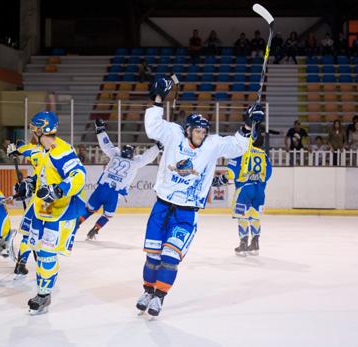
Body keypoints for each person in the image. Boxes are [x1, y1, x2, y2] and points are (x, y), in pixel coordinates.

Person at [135, 76, 263, 318]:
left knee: (170, 257)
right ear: (188, 130)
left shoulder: (212, 145)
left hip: (186, 214)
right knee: (153, 257)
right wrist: (158, 100)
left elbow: (238, 147)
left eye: (204, 130)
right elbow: (153, 127)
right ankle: (147, 291)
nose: (201, 134)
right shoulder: (174, 135)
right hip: (162, 207)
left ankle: (159, 297)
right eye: (197, 130)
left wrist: (247, 126)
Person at [7, 111, 86, 315]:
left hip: (62, 210)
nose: (33, 133)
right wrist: (28, 184)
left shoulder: (61, 151)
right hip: (43, 208)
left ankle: (44, 294)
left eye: (34, 129)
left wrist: (58, 190)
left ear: (41, 129)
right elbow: (40, 173)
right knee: (40, 253)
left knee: (47, 254)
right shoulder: (43, 150)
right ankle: (43, 292)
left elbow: (79, 175)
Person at [80, 119, 161, 240]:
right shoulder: (135, 162)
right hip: (114, 193)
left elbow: (106, 145)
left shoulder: (115, 154)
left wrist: (100, 130)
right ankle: (95, 229)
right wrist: (158, 147)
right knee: (107, 215)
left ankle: (75, 225)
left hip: (102, 188)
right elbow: (147, 157)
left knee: (89, 209)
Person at [212, 138, 272, 256]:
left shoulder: (240, 152)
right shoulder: (263, 154)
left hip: (244, 190)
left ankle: (243, 244)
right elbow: (268, 173)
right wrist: (257, 180)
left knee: (242, 216)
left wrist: (220, 180)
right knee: (255, 216)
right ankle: (255, 244)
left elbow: (231, 173)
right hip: (259, 190)